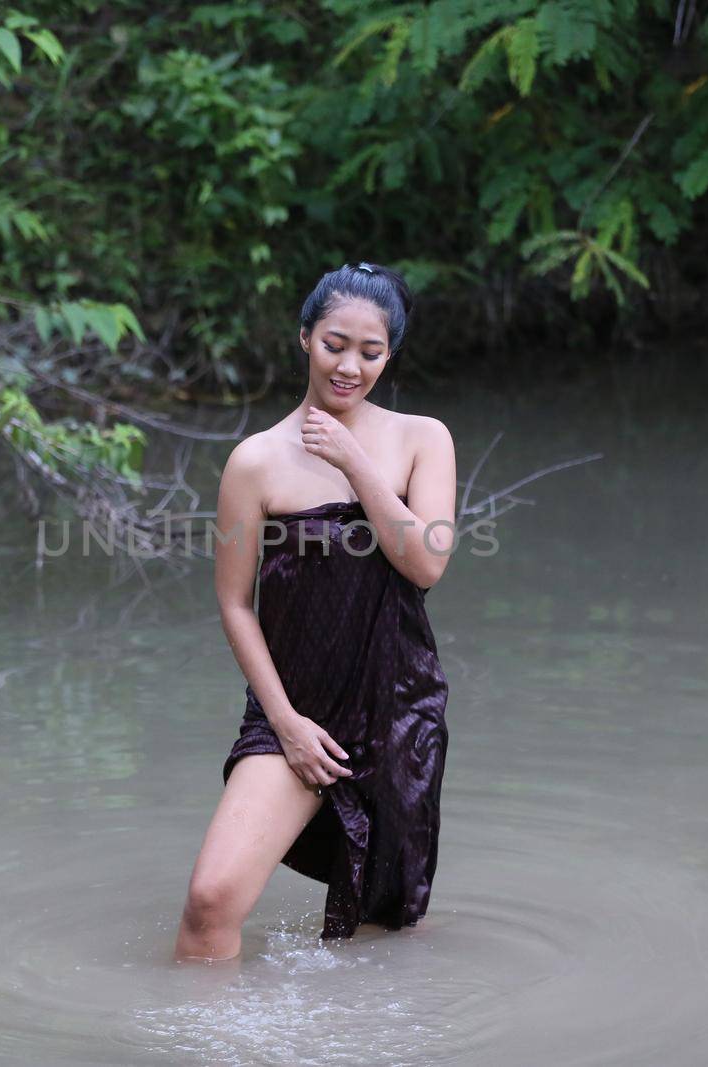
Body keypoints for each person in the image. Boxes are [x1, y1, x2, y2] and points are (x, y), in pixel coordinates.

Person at [173, 261, 456, 963]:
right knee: (210, 904)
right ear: (304, 337)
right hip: (294, 713)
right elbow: (235, 603)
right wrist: (286, 724)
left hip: (395, 709)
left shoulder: (425, 439)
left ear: (390, 354)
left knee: (380, 936)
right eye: (335, 343)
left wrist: (355, 461)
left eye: (371, 351)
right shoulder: (255, 461)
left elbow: (427, 562)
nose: (350, 366)